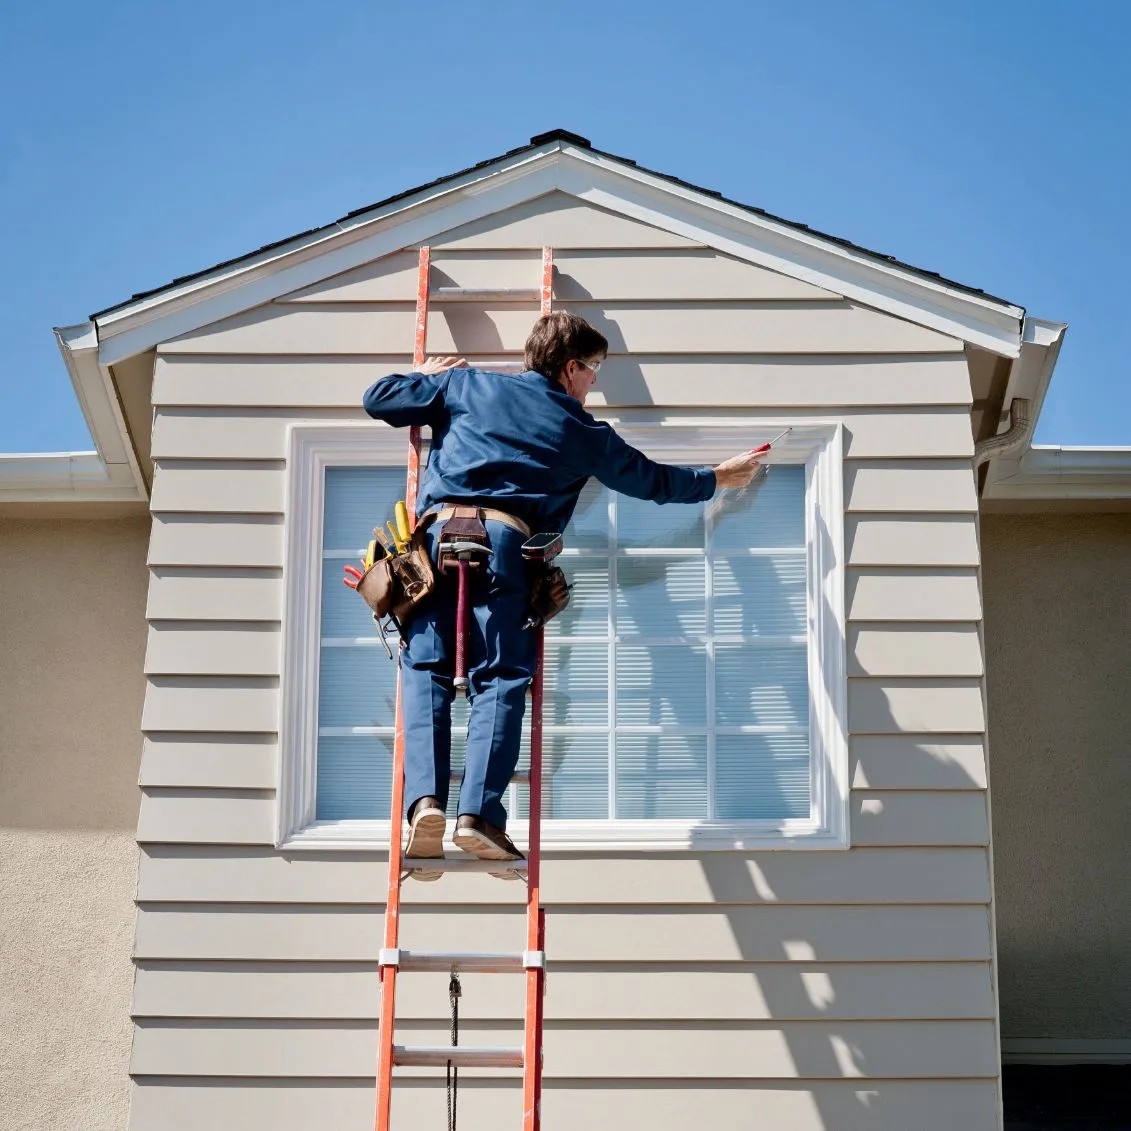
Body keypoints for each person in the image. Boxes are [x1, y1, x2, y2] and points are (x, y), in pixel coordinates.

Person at [358, 312, 765, 878]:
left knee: (425, 671)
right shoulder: (583, 431)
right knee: (499, 679)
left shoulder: (467, 383)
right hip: (504, 548)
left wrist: (422, 373)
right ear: (571, 366)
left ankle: (424, 804)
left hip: (432, 549)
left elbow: (379, 400)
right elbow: (653, 482)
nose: (594, 381)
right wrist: (719, 477)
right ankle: (477, 815)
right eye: (594, 369)